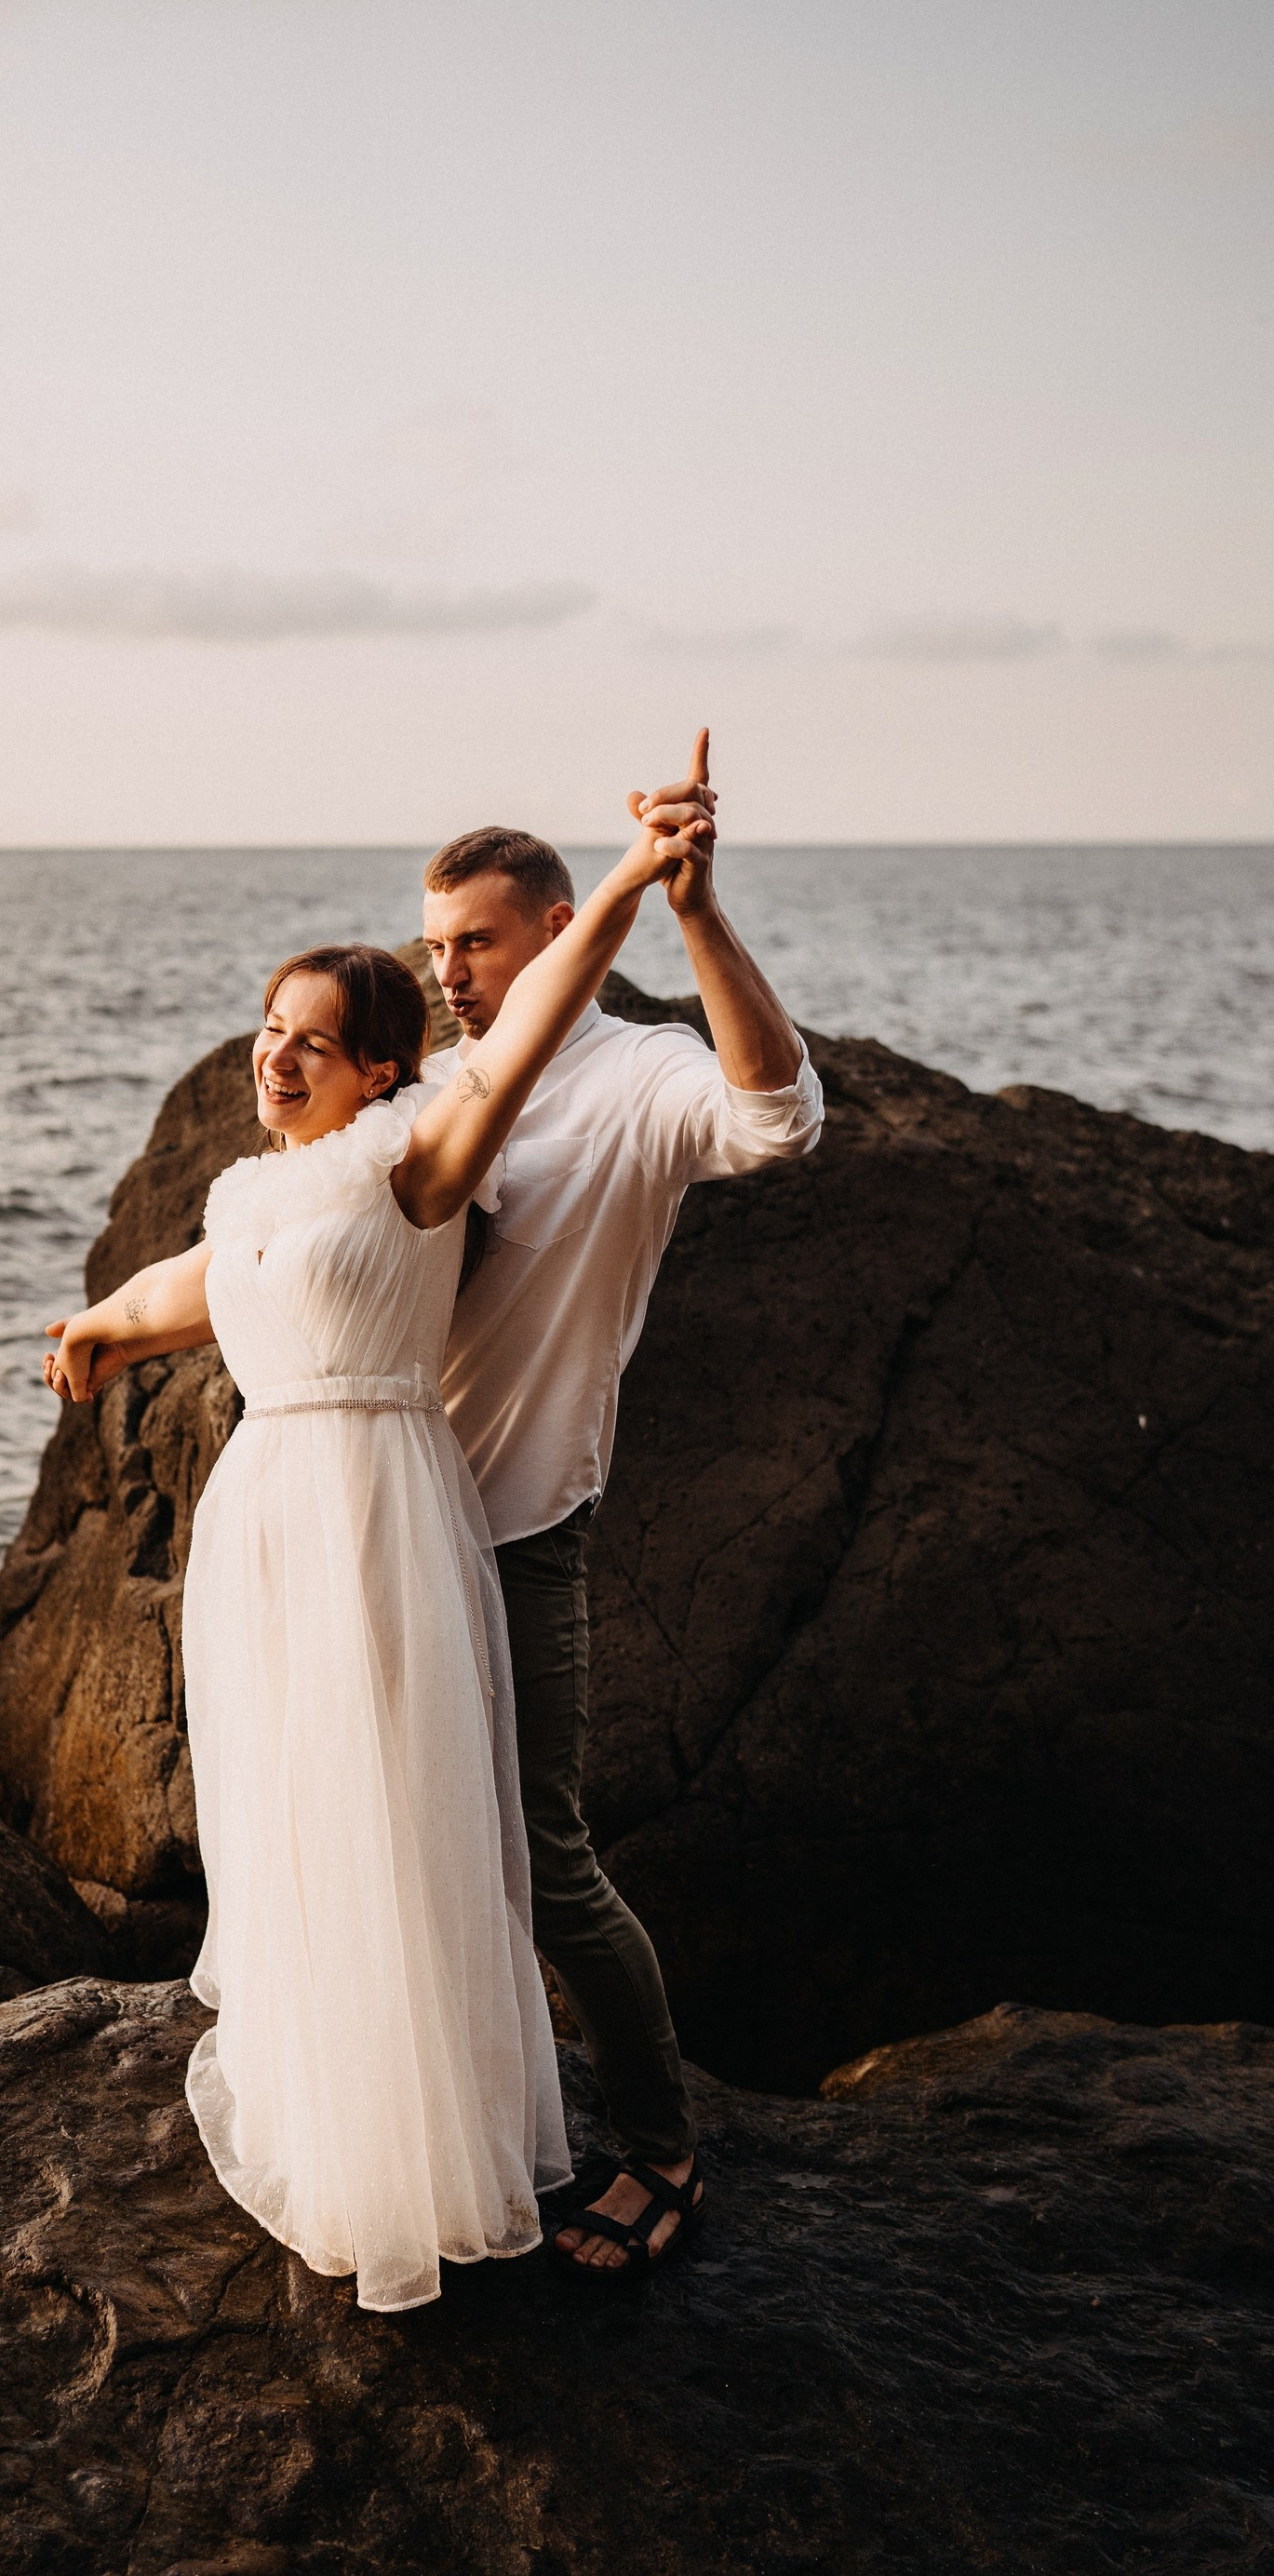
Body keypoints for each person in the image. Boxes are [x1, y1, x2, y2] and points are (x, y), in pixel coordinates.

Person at [41, 780, 716, 2311]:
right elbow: (187, 1287)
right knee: (300, 1826)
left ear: (383, 1068)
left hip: (390, 1517)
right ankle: (343, 2123)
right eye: (269, 1028)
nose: (276, 1052)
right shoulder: (257, 1187)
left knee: (436, 1839)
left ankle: (512, 2145)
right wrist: (95, 1331)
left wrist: (625, 886)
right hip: (267, 1530)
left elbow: (532, 1036)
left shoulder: (419, 1161)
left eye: (313, 1039)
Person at [418, 728, 824, 2275]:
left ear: (556, 927)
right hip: (390, 1522)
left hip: (520, 1526)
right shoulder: (443, 1085)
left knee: (543, 1856)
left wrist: (699, 917)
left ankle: (663, 2152)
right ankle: (458, 2126)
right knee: (413, 1839)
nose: (451, 970)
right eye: (433, 944)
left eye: (478, 941)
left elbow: (783, 1122)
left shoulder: (641, 1076)